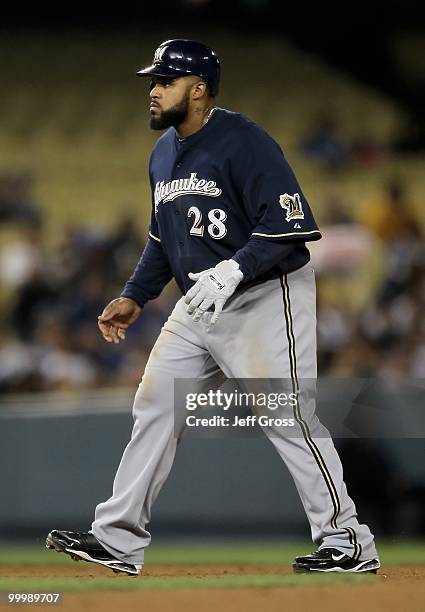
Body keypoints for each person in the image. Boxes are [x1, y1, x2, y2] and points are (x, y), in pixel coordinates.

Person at [46, 39, 380, 576]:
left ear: (197, 90)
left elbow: (290, 226)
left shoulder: (245, 142)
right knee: (155, 405)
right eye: (153, 81)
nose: (152, 91)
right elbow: (164, 238)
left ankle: (347, 541)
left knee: (287, 415)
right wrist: (134, 294)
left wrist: (235, 267)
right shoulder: (161, 154)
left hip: (265, 295)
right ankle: (118, 539)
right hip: (199, 303)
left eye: (164, 82)